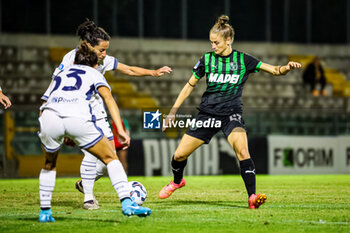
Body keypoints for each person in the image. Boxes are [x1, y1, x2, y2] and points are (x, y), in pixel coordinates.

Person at [158, 15, 301, 209]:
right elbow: (188, 86)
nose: (213, 46)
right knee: (179, 155)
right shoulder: (206, 60)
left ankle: (252, 197)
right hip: (207, 114)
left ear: (228, 40)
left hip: (231, 114)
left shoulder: (244, 60)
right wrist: (173, 112)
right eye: (211, 43)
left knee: (242, 151)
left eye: (216, 43)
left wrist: (286, 67)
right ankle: (177, 181)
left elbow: (275, 70)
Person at [41, 19, 172, 210]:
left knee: (108, 159)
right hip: (78, 111)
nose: (105, 54)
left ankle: (85, 183)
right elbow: (57, 86)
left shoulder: (102, 59)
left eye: (106, 50)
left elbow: (128, 69)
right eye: (102, 50)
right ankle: (89, 197)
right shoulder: (70, 59)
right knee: (97, 154)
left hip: (97, 111)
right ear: (88, 47)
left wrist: (153, 72)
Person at [38, 43, 151, 222]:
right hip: (78, 117)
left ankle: (45, 213)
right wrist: (120, 129)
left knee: (49, 164)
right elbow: (108, 98)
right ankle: (127, 203)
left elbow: (44, 102)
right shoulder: (93, 73)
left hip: (49, 116)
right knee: (111, 158)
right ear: (95, 64)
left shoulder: (61, 72)